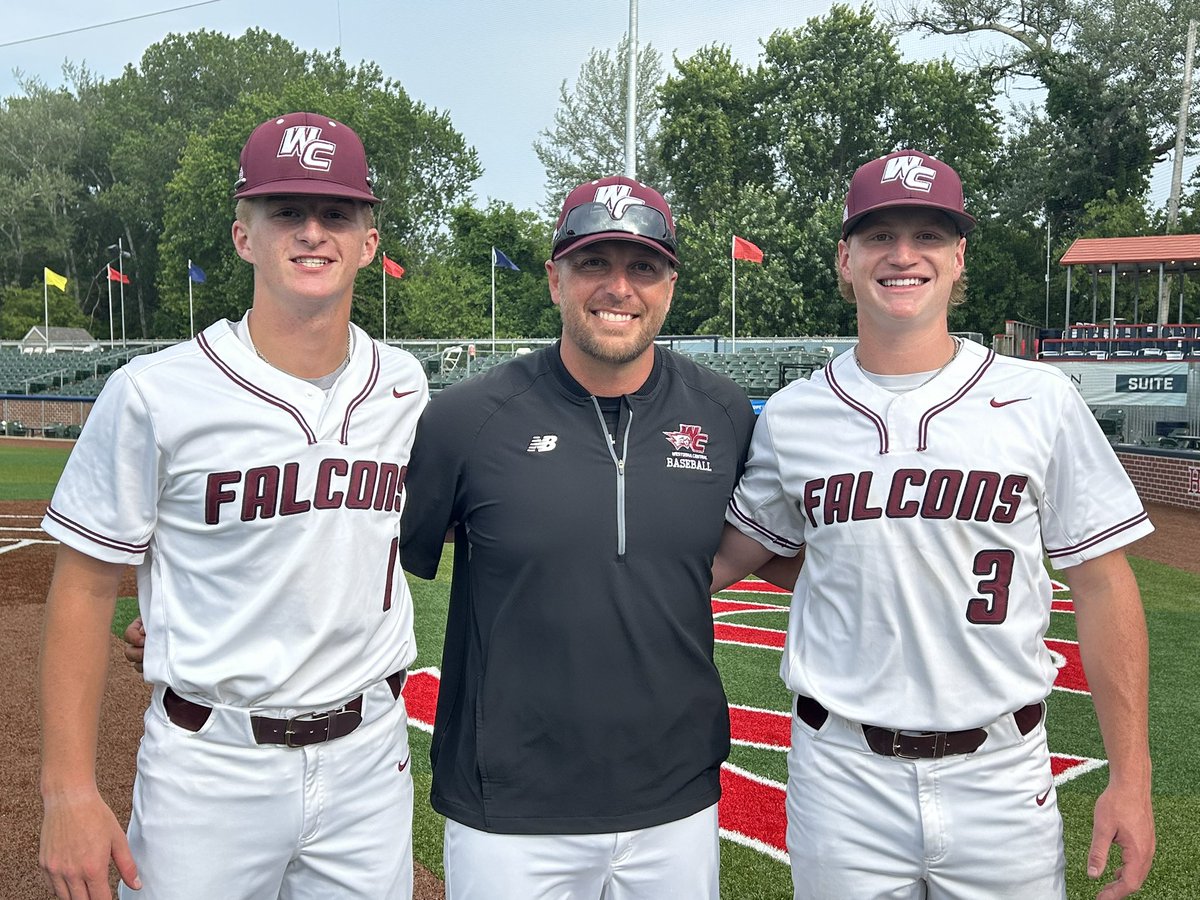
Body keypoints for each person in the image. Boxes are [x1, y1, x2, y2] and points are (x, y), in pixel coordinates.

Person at [712, 149, 1156, 899]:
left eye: (928, 235)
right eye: (880, 235)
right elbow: (730, 556)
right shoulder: (794, 416)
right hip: (842, 773)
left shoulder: (1038, 398)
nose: (903, 255)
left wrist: (1133, 777)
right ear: (845, 259)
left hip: (1002, 772)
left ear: (958, 259)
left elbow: (1106, 586)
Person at [38, 112, 427, 900]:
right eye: (286, 210)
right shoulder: (155, 391)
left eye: (336, 213)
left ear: (367, 243)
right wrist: (67, 790)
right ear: (244, 235)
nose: (312, 232)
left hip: (368, 760)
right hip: (210, 763)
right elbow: (82, 588)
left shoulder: (406, 387)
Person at [398, 176, 757, 899]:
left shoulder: (724, 414)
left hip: (675, 802)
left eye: (643, 267)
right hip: (508, 807)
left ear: (671, 283)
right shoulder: (465, 419)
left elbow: (761, 547)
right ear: (555, 275)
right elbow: (366, 560)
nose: (618, 287)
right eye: (594, 263)